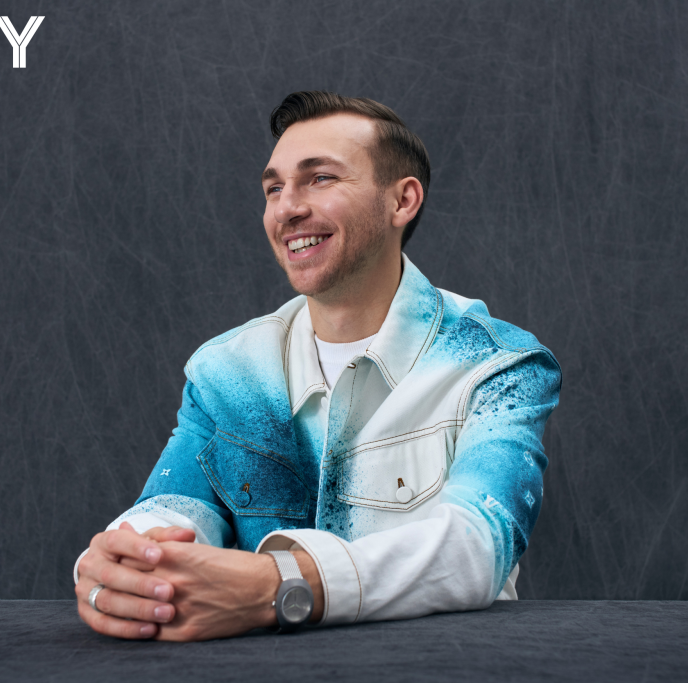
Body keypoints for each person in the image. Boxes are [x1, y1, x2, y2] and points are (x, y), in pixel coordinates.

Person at [73, 91, 561, 641]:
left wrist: (280, 585)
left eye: (320, 178)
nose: (287, 208)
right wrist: (122, 565)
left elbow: (478, 544)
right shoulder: (228, 372)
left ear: (402, 201)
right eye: (274, 188)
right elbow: (168, 513)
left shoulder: (496, 365)